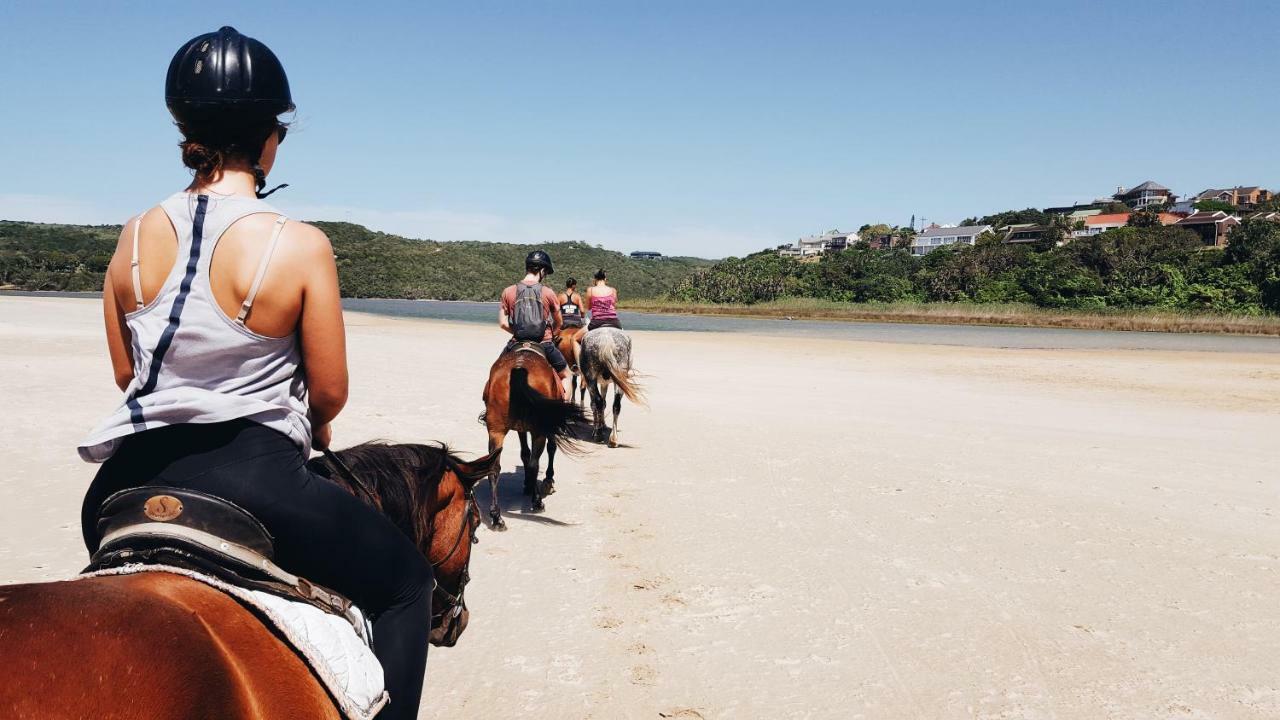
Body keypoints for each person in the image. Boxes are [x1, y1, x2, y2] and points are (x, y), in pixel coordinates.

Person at [76, 27, 432, 720]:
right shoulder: (298, 244)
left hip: (117, 486)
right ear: (271, 138)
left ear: (183, 127)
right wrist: (317, 423)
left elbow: (128, 372)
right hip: (254, 477)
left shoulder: (132, 235)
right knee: (406, 587)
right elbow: (330, 391)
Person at [499, 250, 570, 393]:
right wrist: (552, 334)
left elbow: (503, 323)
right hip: (544, 343)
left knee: (496, 372)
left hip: (516, 342)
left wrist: (519, 331)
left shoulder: (508, 291)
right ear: (543, 270)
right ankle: (562, 413)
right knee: (567, 375)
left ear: (527, 267)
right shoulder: (548, 292)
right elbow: (559, 322)